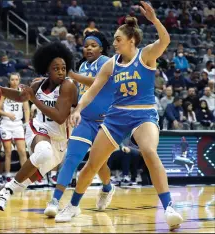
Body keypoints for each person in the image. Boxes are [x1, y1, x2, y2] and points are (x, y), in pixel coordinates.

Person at [56, 3, 183, 230]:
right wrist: (77, 110)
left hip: (143, 115)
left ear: (131, 40)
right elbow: (92, 90)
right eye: (114, 40)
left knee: (149, 151)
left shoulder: (146, 55)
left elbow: (165, 41)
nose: (113, 43)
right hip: (115, 117)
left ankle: (169, 207)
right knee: (92, 165)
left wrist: (154, 19)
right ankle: (73, 205)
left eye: (117, 39)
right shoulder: (111, 64)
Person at [0, 42, 78, 224]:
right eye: (56, 68)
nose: (61, 72)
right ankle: (5, 193)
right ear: (47, 69)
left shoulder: (68, 86)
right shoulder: (38, 83)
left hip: (60, 143)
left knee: (21, 184)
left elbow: (60, 117)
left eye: (63, 68)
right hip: (37, 130)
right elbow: (21, 96)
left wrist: (33, 99)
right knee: (43, 151)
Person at [44, 31, 114, 217]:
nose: (88, 48)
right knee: (71, 159)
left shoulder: (107, 62)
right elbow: (80, 91)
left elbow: (97, 82)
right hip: (86, 120)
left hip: (106, 122)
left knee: (98, 164)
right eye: (86, 45)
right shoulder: (83, 65)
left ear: (101, 48)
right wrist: (72, 109)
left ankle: (107, 188)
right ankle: (55, 200)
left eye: (93, 45)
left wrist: (72, 75)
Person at [0, 73, 30, 182]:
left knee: (22, 151)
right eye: (12, 79)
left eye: (16, 79)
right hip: (6, 124)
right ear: (9, 81)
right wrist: (8, 114)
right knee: (8, 152)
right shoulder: (4, 92)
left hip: (18, 124)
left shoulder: (23, 93)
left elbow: (26, 109)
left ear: (19, 80)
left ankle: (23, 176)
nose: (14, 81)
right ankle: (8, 176)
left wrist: (27, 123)